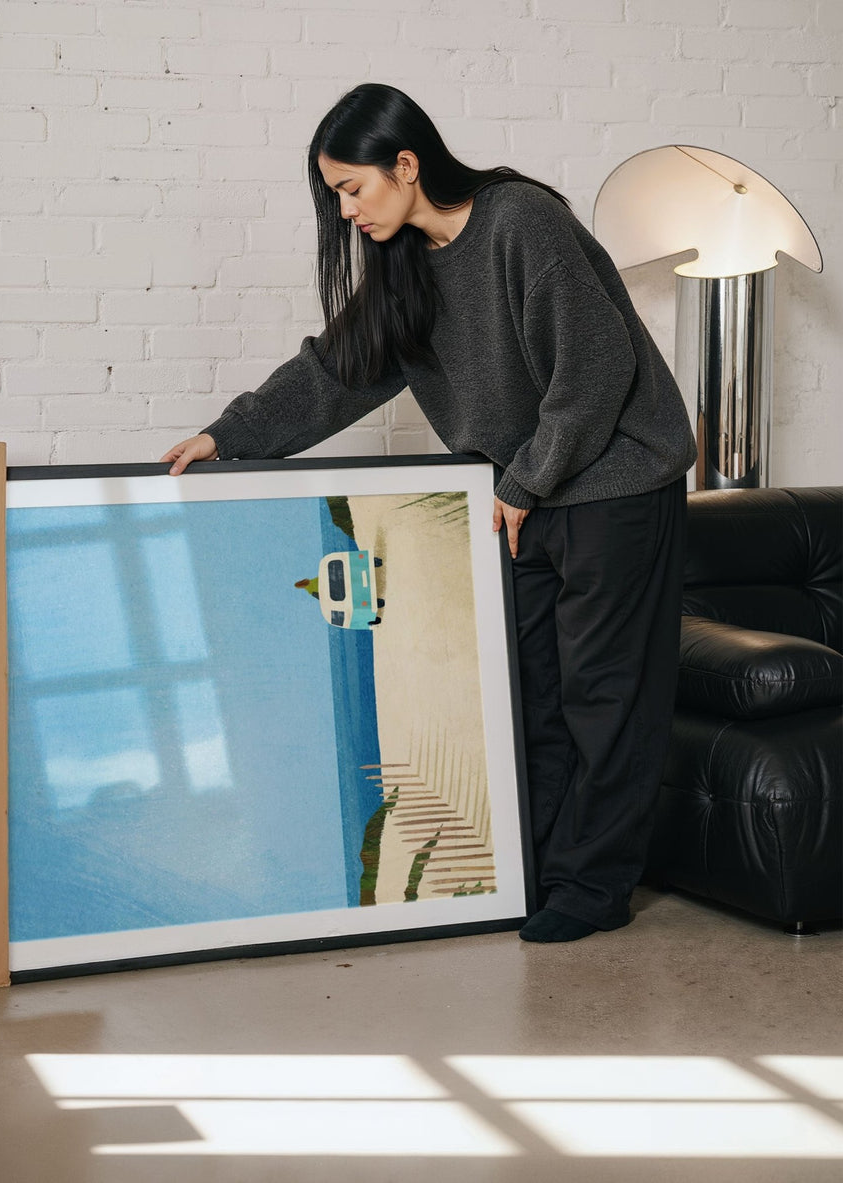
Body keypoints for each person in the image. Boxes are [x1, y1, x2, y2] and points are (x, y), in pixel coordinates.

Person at [161, 83, 697, 943]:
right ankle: (537, 873)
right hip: (525, 494)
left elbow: (596, 368)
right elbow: (336, 370)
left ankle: (593, 887)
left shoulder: (520, 222)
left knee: (606, 695)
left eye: (353, 188)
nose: (346, 212)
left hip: (615, 479)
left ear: (406, 165)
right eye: (336, 195)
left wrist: (524, 481)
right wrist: (231, 435)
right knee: (532, 694)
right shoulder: (405, 264)